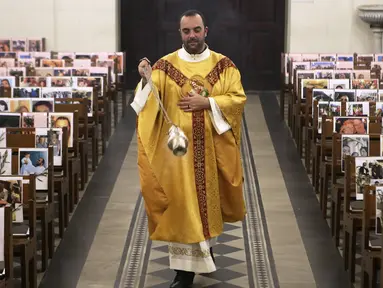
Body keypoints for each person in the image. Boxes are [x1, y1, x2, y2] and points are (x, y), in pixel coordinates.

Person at [131, 9, 247, 287]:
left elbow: (237, 98)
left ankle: (205, 252)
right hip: (178, 154)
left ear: (205, 31)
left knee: (208, 205)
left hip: (212, 150)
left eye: (196, 30)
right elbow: (147, 101)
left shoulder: (224, 65)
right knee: (183, 208)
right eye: (186, 31)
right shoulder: (165, 65)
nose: (192, 36)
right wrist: (146, 78)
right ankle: (183, 273)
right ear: (180, 33)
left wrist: (207, 103)